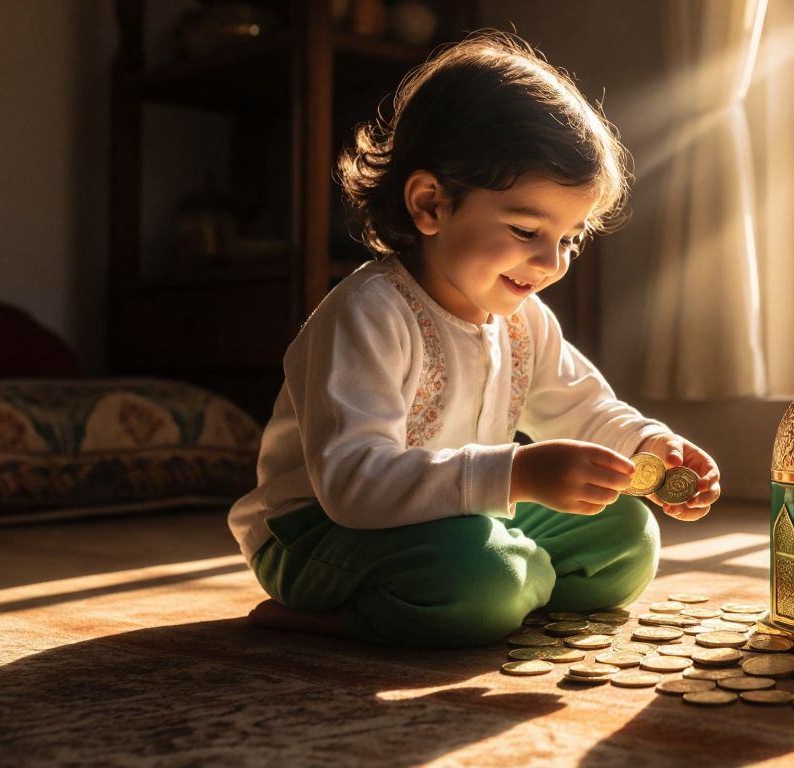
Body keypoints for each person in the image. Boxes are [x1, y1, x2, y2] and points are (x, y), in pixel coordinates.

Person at [227, 32, 721, 648]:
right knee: (485, 581)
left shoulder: (524, 318)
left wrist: (650, 443)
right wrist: (516, 473)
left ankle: (498, 590)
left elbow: (584, 406)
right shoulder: (368, 313)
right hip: (319, 532)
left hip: (458, 515)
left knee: (625, 537)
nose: (552, 262)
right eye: (525, 229)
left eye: (570, 238)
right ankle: (337, 617)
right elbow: (354, 484)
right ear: (430, 204)